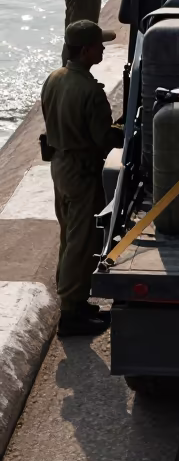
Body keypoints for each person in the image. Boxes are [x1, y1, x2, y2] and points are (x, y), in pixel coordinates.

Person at [41, 19, 122, 336]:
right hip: (82, 170)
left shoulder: (54, 78)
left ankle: (76, 301)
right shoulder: (89, 90)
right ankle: (71, 313)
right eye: (99, 45)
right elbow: (103, 139)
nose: (103, 48)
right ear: (87, 50)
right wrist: (123, 127)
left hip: (60, 165)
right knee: (81, 240)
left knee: (68, 235)